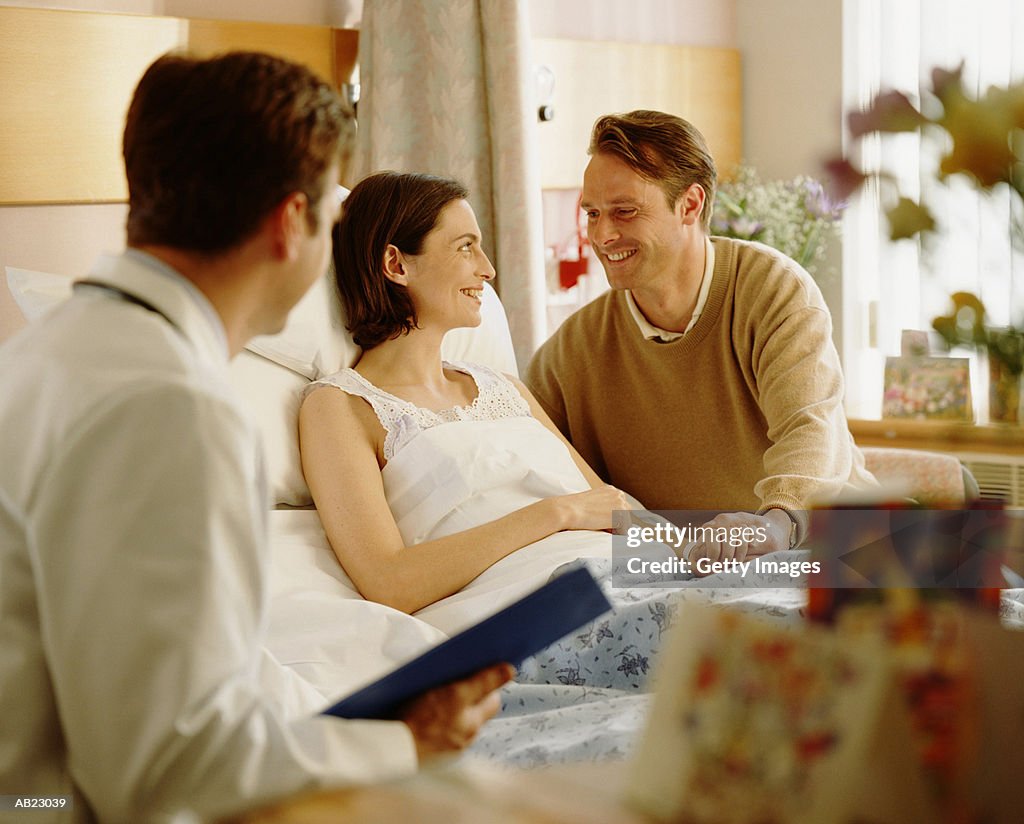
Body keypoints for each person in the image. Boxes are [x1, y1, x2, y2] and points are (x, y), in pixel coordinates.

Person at [0, 52, 511, 824]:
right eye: (331, 221)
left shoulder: (37, 359)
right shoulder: (176, 411)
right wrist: (405, 743)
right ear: (289, 224)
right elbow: (167, 769)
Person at [525, 110, 877, 562]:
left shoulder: (773, 290)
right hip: (696, 573)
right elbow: (523, 451)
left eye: (625, 212)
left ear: (690, 205)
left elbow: (810, 428)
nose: (603, 235)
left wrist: (774, 525)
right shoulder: (576, 347)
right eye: (592, 214)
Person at [299, 171, 634, 617]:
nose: (487, 269)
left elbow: (616, 510)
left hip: (635, 578)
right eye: (465, 247)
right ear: (396, 265)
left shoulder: (505, 388)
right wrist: (556, 515)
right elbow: (389, 582)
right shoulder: (341, 407)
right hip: (548, 609)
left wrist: (709, 546)